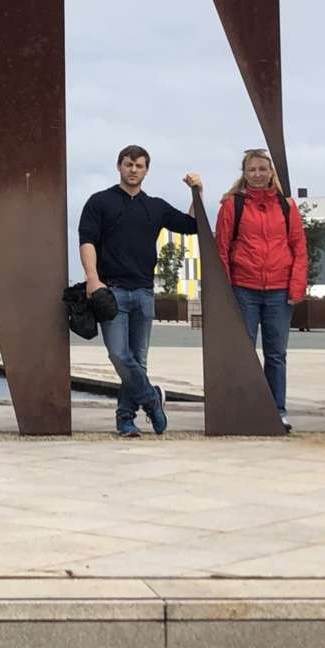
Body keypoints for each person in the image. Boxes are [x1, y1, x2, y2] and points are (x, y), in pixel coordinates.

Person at [78, 145, 203, 438]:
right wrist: (92, 279)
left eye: (139, 166)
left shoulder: (155, 206)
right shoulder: (100, 202)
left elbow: (192, 226)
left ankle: (126, 420)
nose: (133, 170)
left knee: (138, 359)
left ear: (147, 170)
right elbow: (87, 241)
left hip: (145, 293)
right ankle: (152, 400)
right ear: (119, 166)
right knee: (119, 356)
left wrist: (197, 193)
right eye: (128, 164)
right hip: (111, 292)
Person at [212, 149, 307, 428]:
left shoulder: (287, 206)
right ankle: (240, 406)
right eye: (252, 169)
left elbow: (299, 248)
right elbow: (222, 249)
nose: (257, 174)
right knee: (244, 351)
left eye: (262, 169)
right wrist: (226, 291)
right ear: (244, 173)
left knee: (276, 354)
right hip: (244, 288)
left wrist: (296, 287)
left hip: (278, 289)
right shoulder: (232, 205)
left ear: (271, 172)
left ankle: (278, 409)